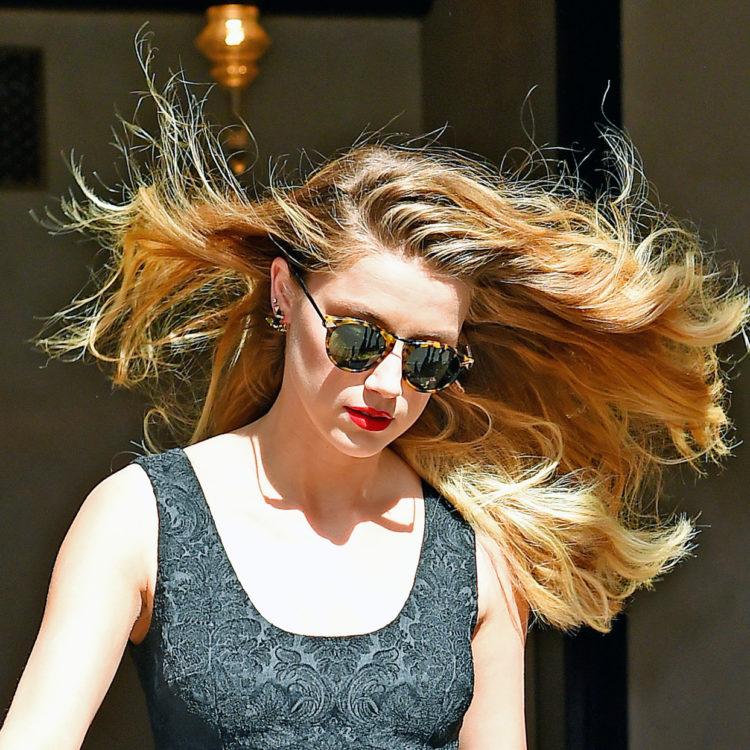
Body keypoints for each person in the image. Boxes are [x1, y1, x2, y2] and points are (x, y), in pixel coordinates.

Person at [1, 31, 747, 750]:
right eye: (359, 338)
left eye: (427, 359)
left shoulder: (476, 551)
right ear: (284, 294)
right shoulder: (140, 518)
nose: (388, 385)